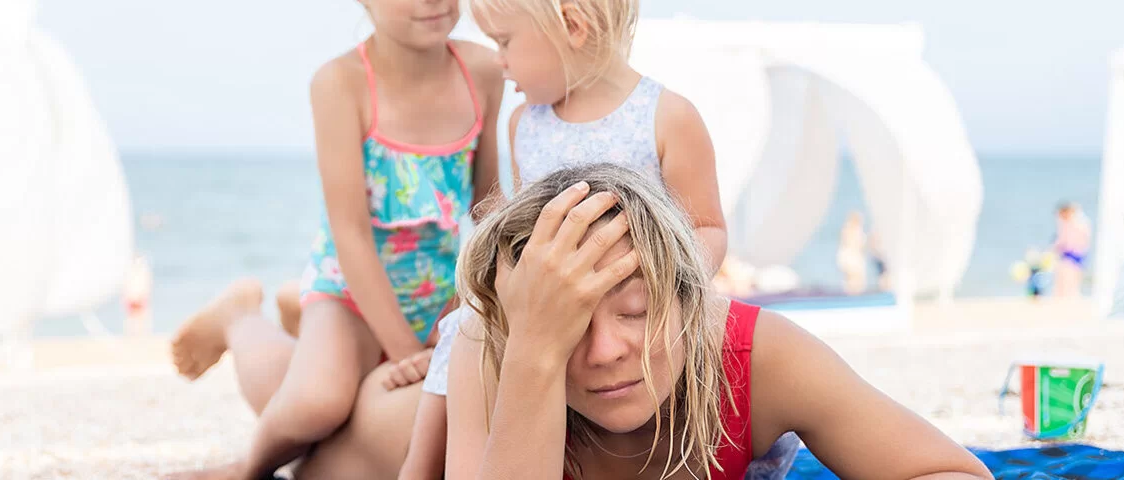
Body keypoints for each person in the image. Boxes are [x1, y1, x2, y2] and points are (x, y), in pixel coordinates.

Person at [444, 164, 991, 479]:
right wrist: (534, 356)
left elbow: (955, 472)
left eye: (635, 310)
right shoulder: (492, 351)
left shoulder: (755, 354)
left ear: (691, 300)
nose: (606, 349)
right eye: (568, 322)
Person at [167, 0, 504, 476]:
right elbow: (350, 234)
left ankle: (293, 322)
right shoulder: (340, 83)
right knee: (318, 404)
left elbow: (486, 203)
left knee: (365, 405)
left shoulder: (482, 69)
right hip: (350, 291)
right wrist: (404, 349)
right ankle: (247, 436)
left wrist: (499, 290)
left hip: (437, 292)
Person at [402, 0, 733, 475]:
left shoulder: (667, 115)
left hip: (631, 313)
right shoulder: (524, 123)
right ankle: (423, 465)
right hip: (549, 310)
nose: (499, 60)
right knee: (468, 336)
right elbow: (517, 234)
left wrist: (663, 286)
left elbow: (707, 227)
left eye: (505, 41)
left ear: (572, 28)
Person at [1051, 202, 1091, 298]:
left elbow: (1080, 239)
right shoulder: (1066, 223)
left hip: (1074, 253)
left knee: (1071, 277)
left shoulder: (1078, 223)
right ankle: (1064, 296)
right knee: (1064, 278)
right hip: (1069, 254)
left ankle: (1071, 296)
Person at [837, 210, 869, 295]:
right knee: (853, 279)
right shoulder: (850, 230)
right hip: (851, 257)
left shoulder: (853, 230)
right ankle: (852, 294)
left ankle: (854, 294)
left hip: (852, 256)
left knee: (855, 280)